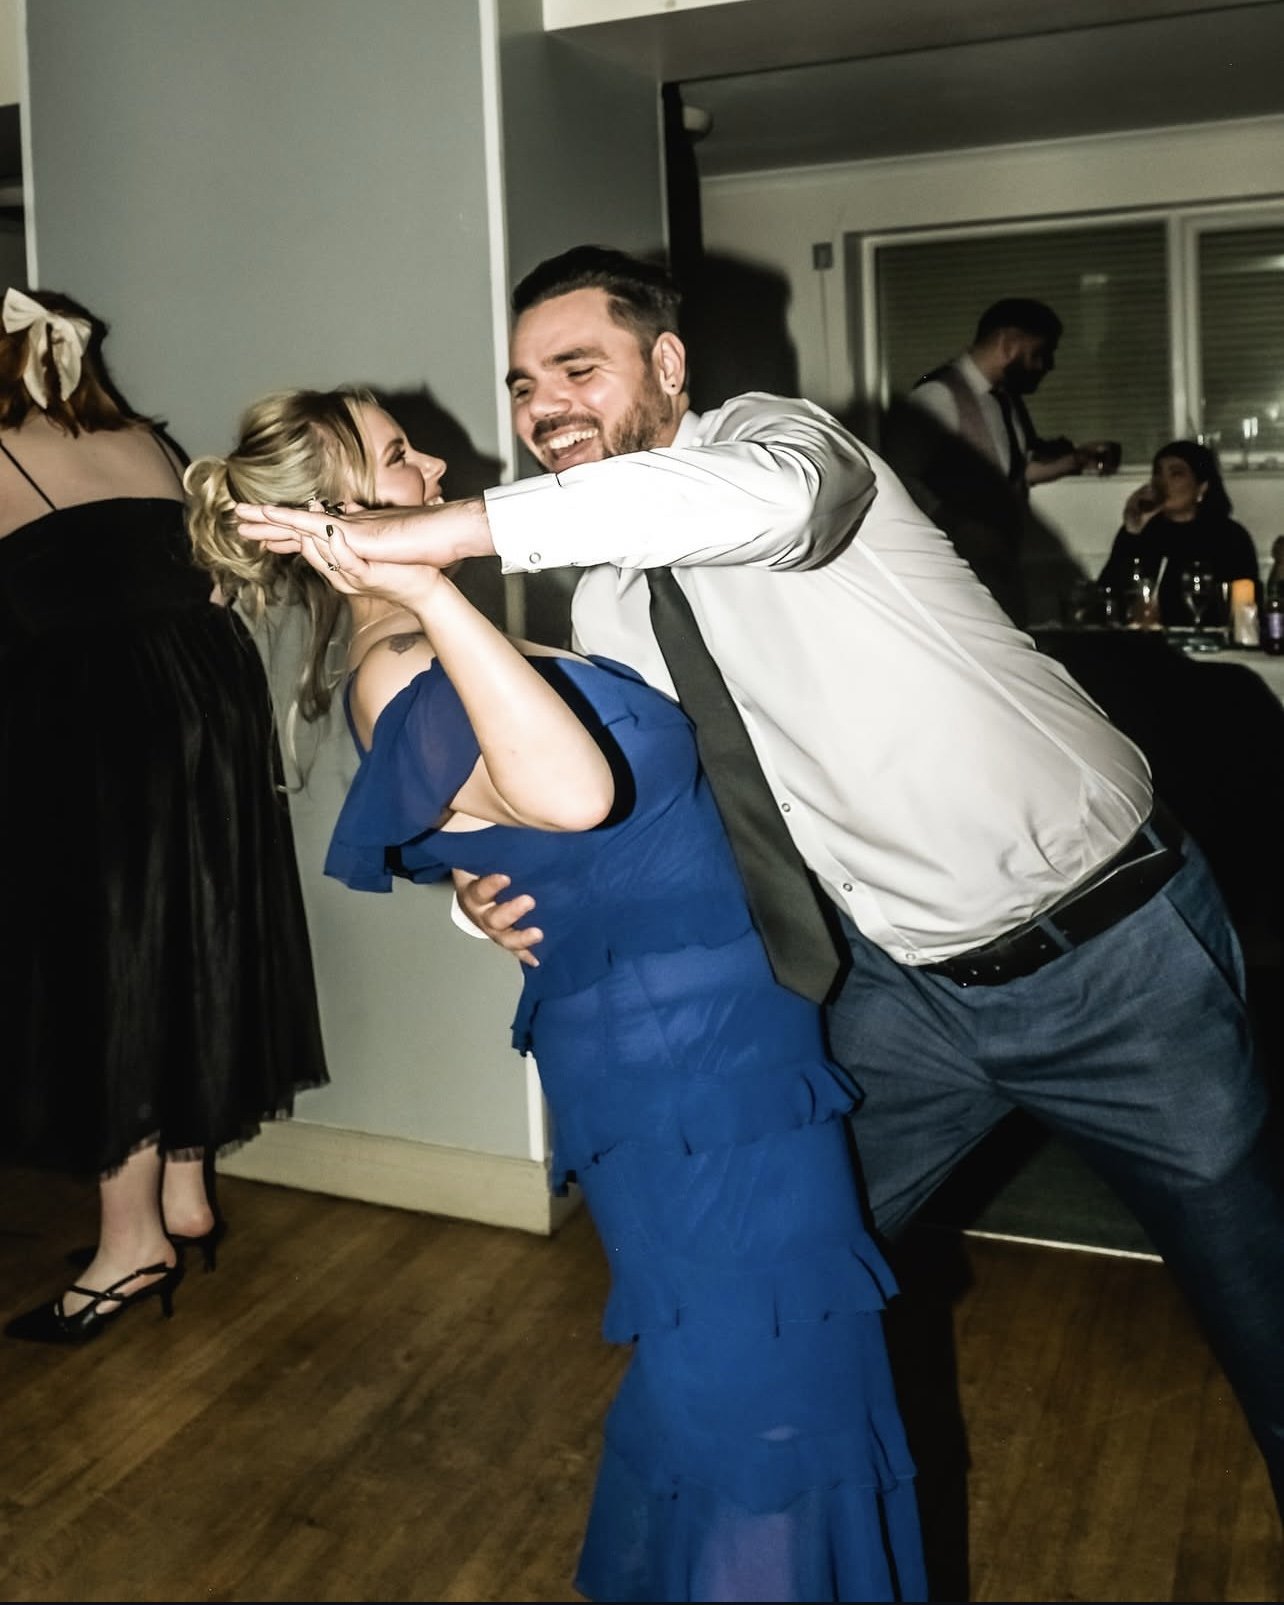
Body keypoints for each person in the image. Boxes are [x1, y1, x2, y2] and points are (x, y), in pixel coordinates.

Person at [235, 246, 1284, 1524]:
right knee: (803, 1280)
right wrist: (483, 899)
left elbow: (756, 506)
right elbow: (621, 803)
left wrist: (438, 530)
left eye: (579, 368)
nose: (540, 407)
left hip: (1111, 948)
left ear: (668, 366)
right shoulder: (608, 600)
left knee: (1257, 1300)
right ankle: (816, 1525)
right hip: (897, 989)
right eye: (521, 384)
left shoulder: (789, 449)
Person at [196, 386, 927, 1604]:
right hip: (681, 1072)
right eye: (396, 455)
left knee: (748, 1375)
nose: (436, 460)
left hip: (725, 1047)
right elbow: (578, 795)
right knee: (772, 1411)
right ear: (340, 522)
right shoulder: (402, 666)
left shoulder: (456, 648)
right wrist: (426, 583)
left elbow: (556, 831)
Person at [0, 289, 327, 1345]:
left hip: (95, 725)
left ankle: (131, 1241)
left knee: (116, 966)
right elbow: (216, 591)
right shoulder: (147, 438)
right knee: (198, 931)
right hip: (204, 705)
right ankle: (183, 1190)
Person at [890, 298, 1114, 622]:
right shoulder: (937, 395)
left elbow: (1013, 474)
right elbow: (900, 477)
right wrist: (959, 525)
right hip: (956, 571)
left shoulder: (1005, 401)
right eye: (1039, 353)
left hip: (1001, 564)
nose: (1045, 365)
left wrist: (1076, 461)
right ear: (1008, 344)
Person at [1097, 439, 1259, 627]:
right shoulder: (1143, 532)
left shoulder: (1229, 537)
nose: (1162, 482)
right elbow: (1106, 599)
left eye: (1176, 474)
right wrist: (1132, 531)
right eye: (1158, 473)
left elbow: (1243, 610)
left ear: (1202, 487)